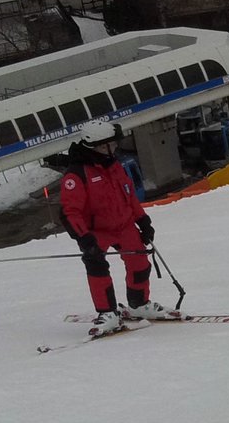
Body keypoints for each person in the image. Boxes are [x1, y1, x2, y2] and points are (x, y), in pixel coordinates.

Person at [57, 121, 165, 333]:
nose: (114, 148)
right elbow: (71, 212)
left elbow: (128, 195)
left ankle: (139, 304)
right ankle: (107, 312)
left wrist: (142, 220)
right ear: (96, 146)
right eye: (109, 145)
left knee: (140, 263)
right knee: (96, 265)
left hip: (124, 225)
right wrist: (84, 239)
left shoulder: (114, 165)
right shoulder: (76, 175)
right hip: (97, 231)